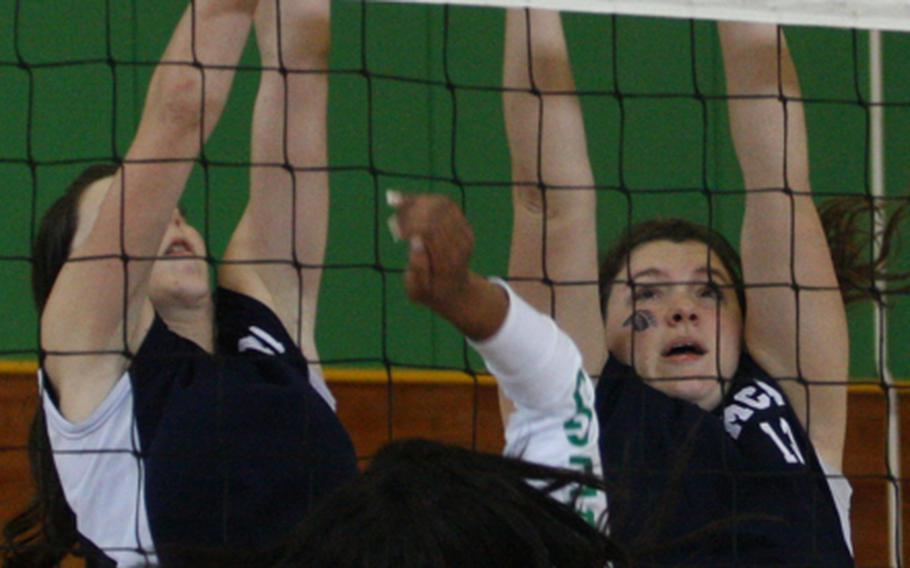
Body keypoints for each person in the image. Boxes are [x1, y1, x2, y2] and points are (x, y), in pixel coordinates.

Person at [504, 10, 905, 565]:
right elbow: (549, 204)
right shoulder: (576, 412)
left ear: (746, 322)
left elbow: (778, 180)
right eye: (646, 294)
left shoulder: (793, 399)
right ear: (601, 333)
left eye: (709, 292)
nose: (681, 310)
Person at [3, 0, 357, 566]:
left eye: (179, 211)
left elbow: (303, 66)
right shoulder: (86, 354)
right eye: (130, 218)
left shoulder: (265, 315)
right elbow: (179, 111)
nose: (168, 219)